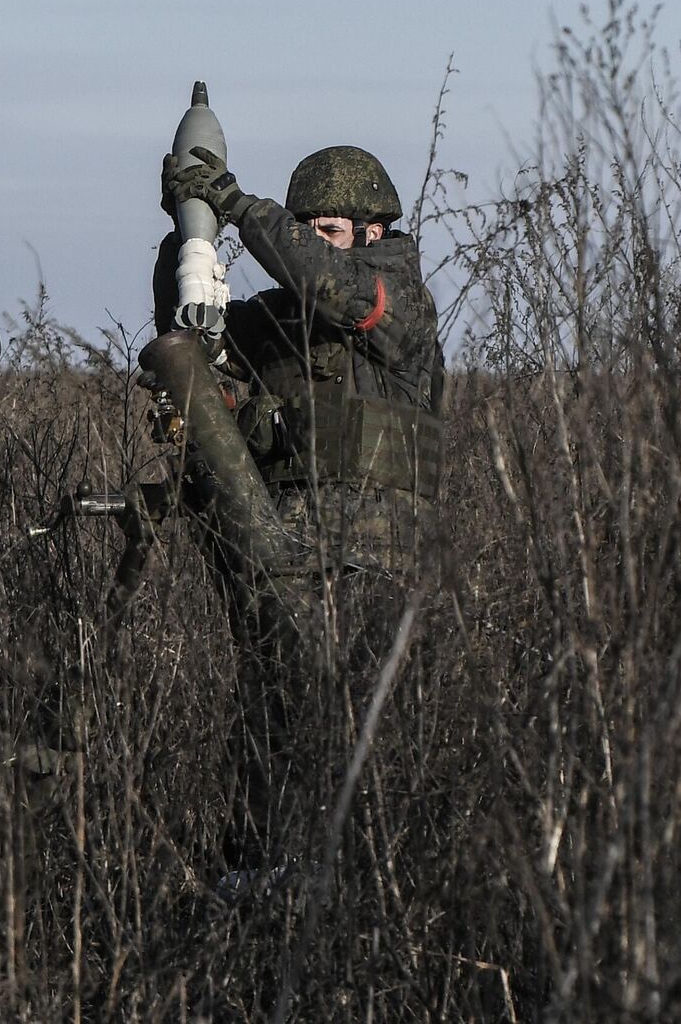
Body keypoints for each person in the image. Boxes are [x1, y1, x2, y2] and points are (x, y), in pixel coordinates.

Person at [152, 143, 444, 887]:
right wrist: (187, 232)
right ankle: (263, 878)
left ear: (372, 233)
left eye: (329, 228)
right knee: (273, 723)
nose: (313, 241)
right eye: (305, 227)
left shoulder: (396, 297)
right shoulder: (276, 322)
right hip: (280, 553)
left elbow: (340, 291)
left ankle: (370, 892)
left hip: (375, 558)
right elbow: (189, 335)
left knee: (364, 740)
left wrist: (244, 208)